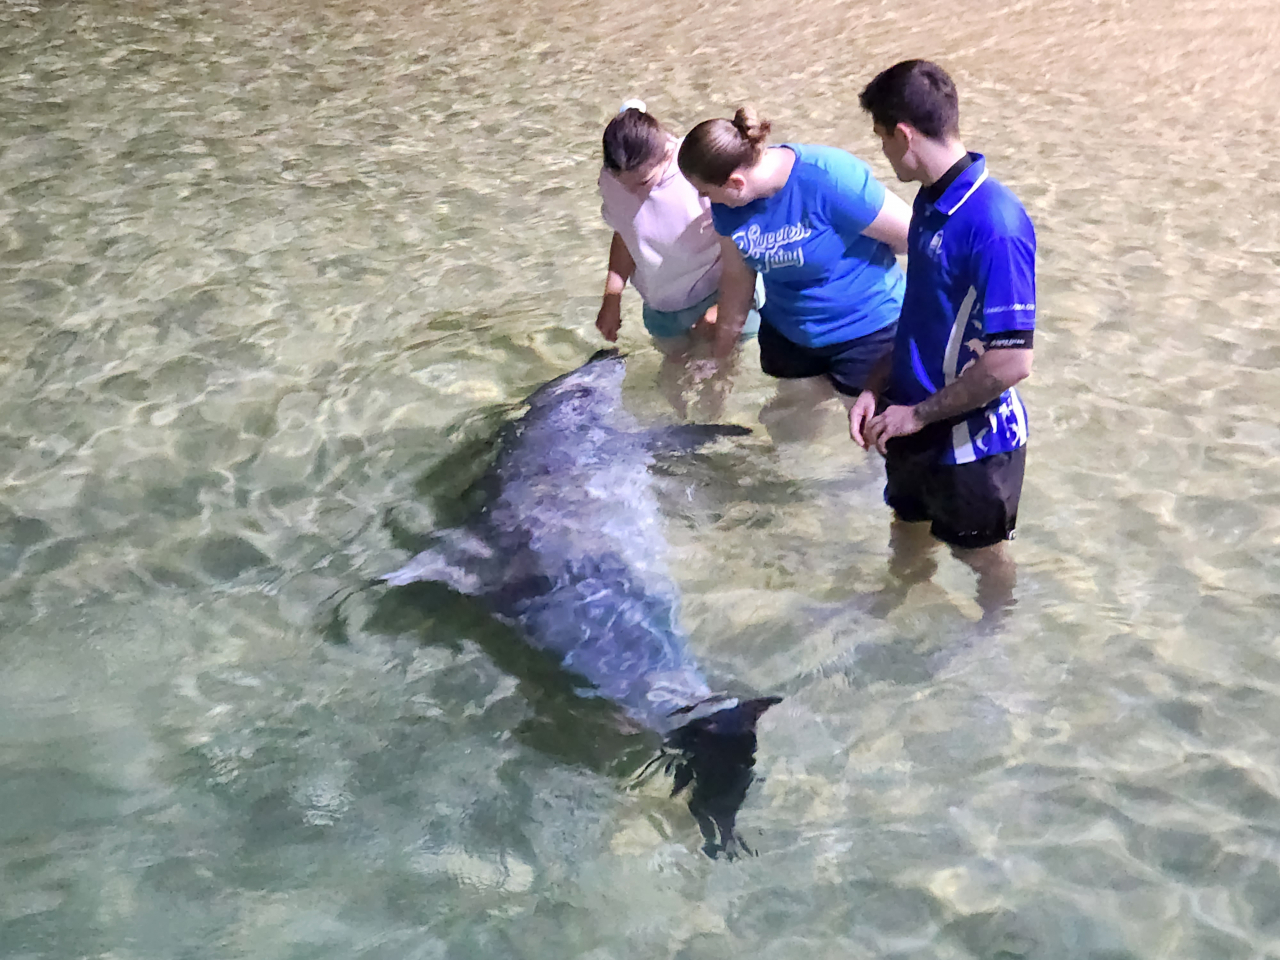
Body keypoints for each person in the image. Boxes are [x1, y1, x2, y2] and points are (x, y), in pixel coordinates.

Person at [850, 59, 1036, 619]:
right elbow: (922, 312)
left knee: (982, 556)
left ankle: (993, 636)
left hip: (972, 442)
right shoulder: (931, 201)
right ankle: (898, 603)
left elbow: (1011, 363)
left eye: (882, 138)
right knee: (907, 525)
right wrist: (874, 386)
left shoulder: (995, 225)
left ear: (904, 135)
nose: (883, 151)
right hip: (911, 418)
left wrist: (919, 415)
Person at [676, 106, 911, 439]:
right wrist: (720, 357)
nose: (704, 200)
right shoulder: (727, 205)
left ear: (735, 182)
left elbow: (917, 239)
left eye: (705, 192)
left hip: (866, 333)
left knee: (870, 438)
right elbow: (736, 281)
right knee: (788, 428)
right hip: (789, 333)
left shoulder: (830, 177)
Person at [596, 100, 761, 417]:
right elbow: (625, 235)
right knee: (672, 384)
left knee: (718, 377)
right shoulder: (614, 178)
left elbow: (746, 239)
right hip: (663, 305)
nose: (633, 194)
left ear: (669, 154)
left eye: (644, 183)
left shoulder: (698, 168)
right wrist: (612, 295)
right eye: (622, 184)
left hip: (722, 295)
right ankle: (680, 441)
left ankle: (716, 437)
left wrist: (722, 308)